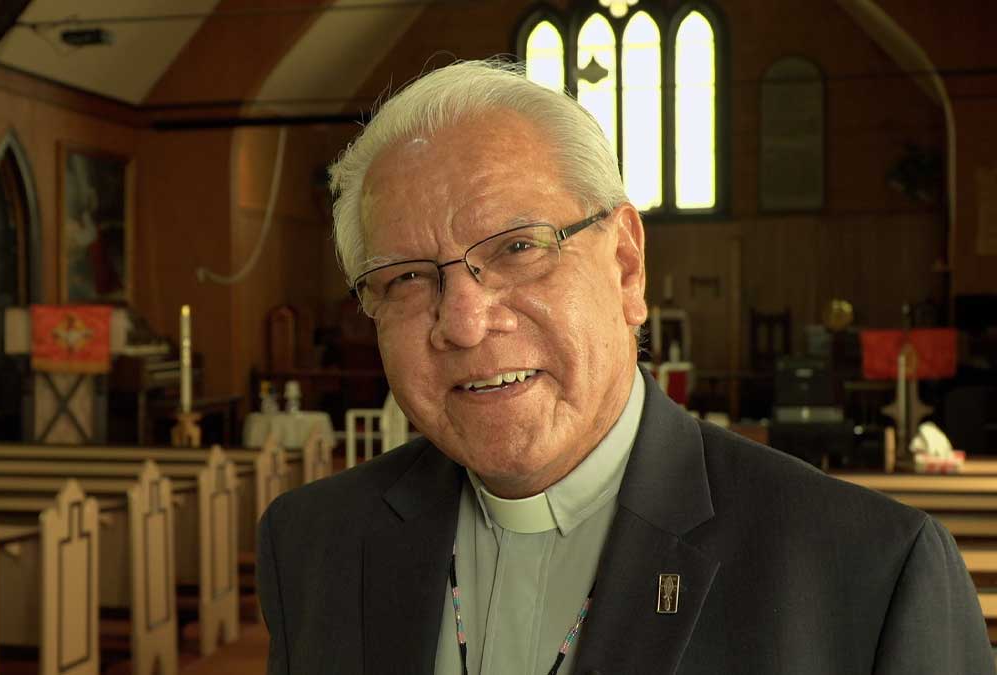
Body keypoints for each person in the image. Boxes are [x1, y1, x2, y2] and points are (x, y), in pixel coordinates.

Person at [256, 60, 993, 674]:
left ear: (627, 266)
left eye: (517, 247)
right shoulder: (311, 544)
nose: (465, 321)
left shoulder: (871, 573)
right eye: (408, 278)